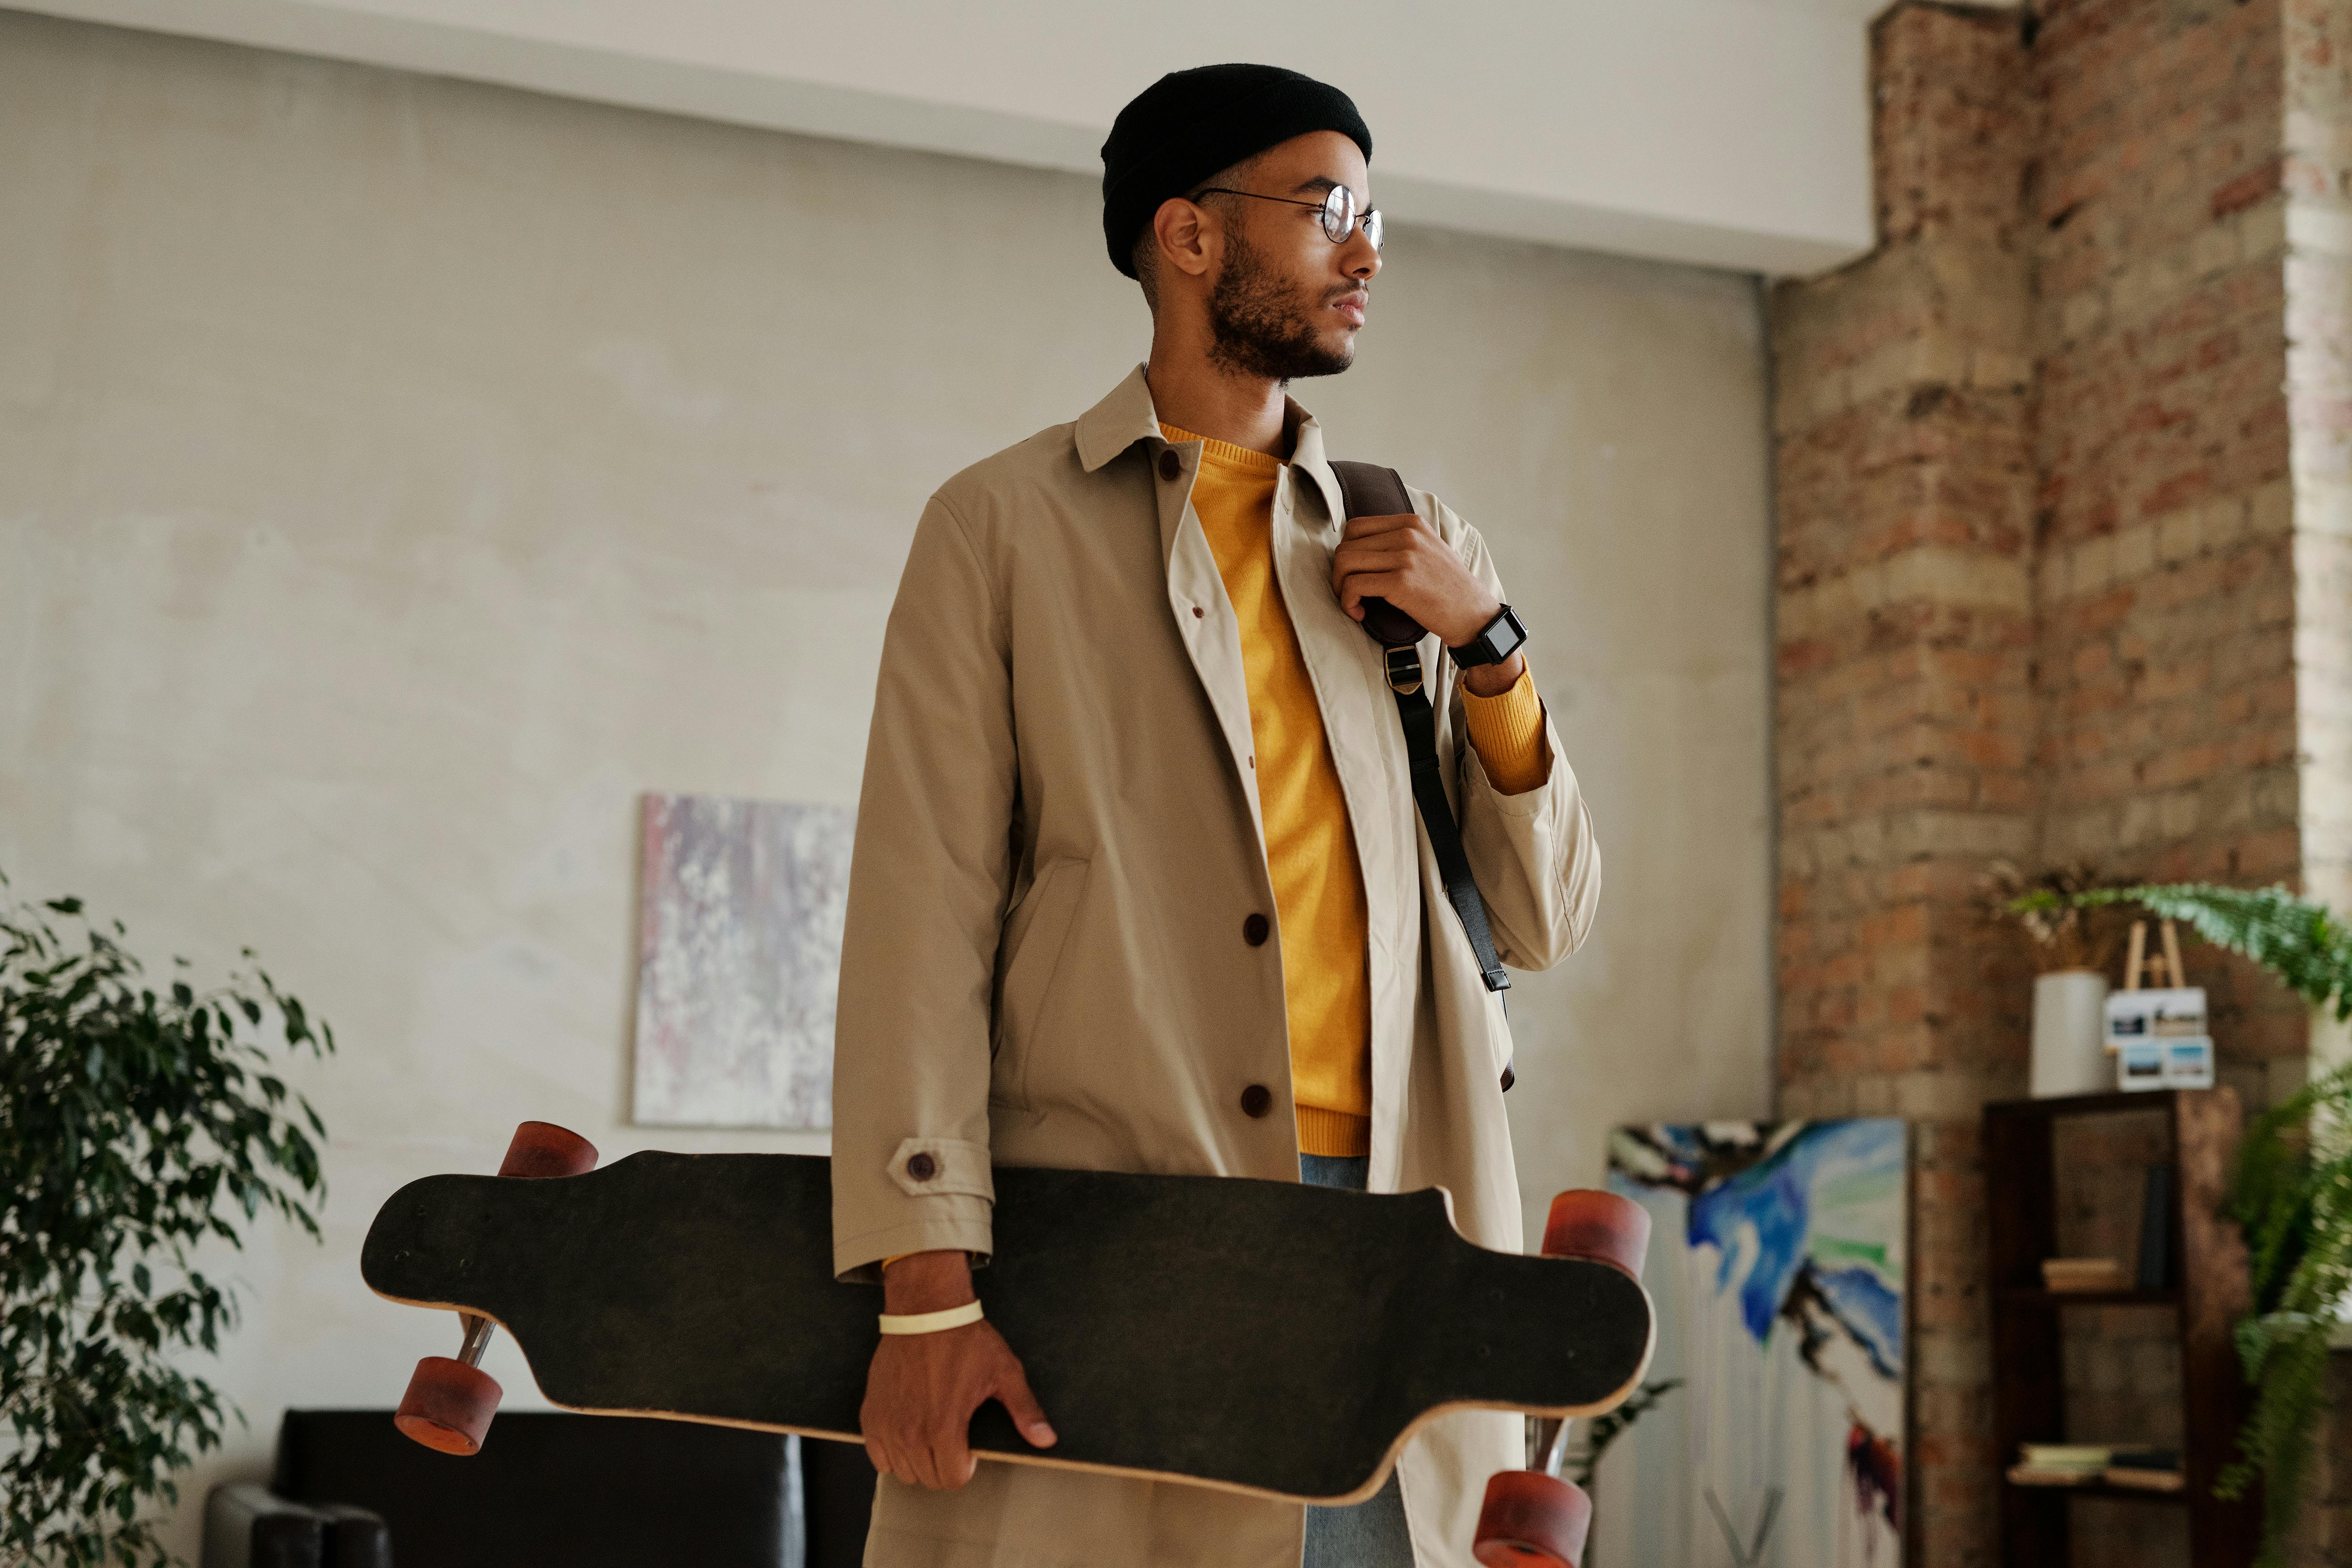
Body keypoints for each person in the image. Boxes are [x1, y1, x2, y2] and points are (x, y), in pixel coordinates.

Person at [831, 62, 1602, 1568]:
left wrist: (1490, 642)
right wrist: (929, 1289)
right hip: (1113, 1236)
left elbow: (1544, 920)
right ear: (1186, 238)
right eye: (1329, 210)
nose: (1367, 252)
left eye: (1375, 216)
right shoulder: (1000, 530)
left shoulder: (1416, 542)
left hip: (1401, 1223)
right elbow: (922, 918)